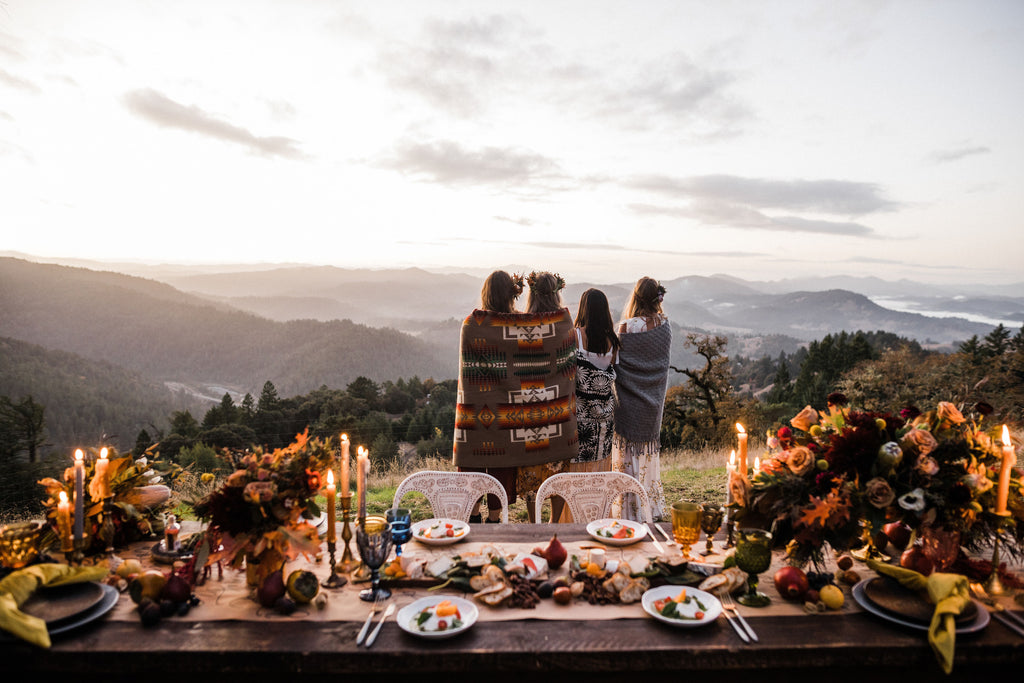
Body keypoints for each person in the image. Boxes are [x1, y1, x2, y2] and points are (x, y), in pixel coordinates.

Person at [453, 270, 578, 523]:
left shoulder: (471, 324)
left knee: (472, 462)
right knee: (503, 460)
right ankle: (495, 517)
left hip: (475, 412)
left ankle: (474, 514)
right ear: (513, 293)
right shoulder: (522, 324)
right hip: (506, 415)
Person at [612, 276, 670, 521]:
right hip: (653, 404)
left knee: (627, 460)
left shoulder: (627, 327)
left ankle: (628, 510)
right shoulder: (665, 325)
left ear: (636, 297)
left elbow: (617, 365)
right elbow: (661, 366)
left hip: (628, 404)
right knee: (645, 460)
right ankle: (648, 506)